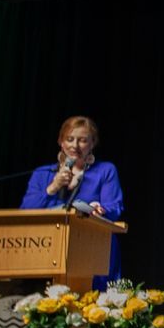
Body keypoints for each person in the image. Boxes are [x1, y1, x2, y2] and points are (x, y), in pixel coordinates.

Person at [20, 114, 124, 282]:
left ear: (92, 144)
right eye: (69, 139)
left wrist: (100, 210)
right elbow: (25, 211)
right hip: (47, 249)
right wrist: (52, 187)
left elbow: (115, 208)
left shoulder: (105, 171)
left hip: (93, 246)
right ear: (61, 142)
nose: (75, 146)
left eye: (82, 140)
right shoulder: (43, 173)